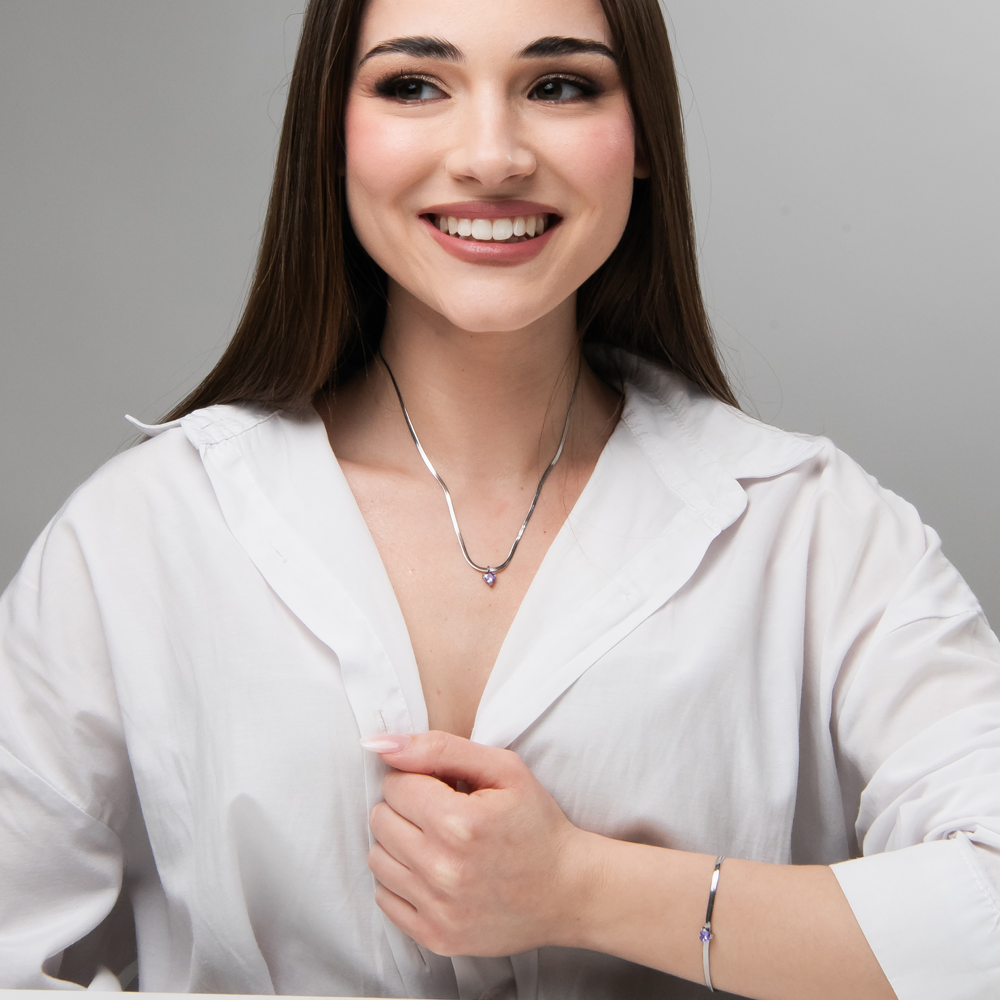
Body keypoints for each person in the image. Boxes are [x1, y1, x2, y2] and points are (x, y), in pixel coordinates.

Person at [1, 0, 998, 997]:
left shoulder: (811, 530)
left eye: (558, 85)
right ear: (330, 135)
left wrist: (583, 887)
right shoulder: (143, 534)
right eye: (413, 85)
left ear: (644, 138)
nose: (491, 157)